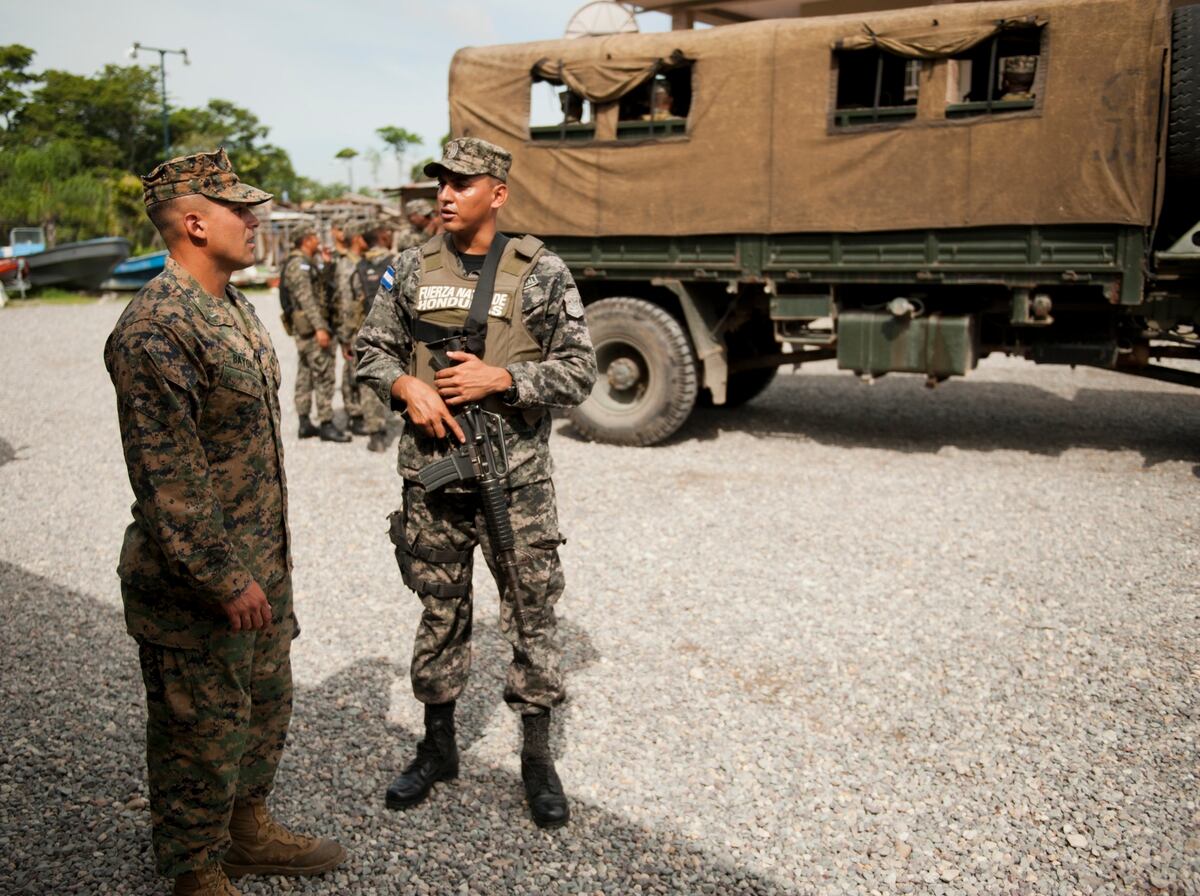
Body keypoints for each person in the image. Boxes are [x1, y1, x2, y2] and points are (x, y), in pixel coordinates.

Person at [103, 149, 346, 896]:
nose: (256, 220)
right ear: (196, 223)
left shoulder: (232, 307)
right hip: (199, 584)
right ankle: (194, 868)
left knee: (263, 708)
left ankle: (246, 831)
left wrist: (262, 571)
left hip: (259, 569)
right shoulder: (156, 329)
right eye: (241, 210)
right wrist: (223, 576)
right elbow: (167, 479)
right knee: (197, 732)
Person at [355, 137, 597, 829]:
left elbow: (579, 370)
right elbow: (371, 348)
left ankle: (537, 758)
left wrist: (506, 379)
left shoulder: (542, 272)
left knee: (530, 610)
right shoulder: (408, 268)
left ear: (498, 193)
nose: (446, 193)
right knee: (439, 607)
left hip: (515, 482)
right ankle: (438, 748)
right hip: (435, 478)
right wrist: (405, 384)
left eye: (463, 182)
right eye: (442, 181)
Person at [282, 229, 351, 442]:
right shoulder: (299, 264)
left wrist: (327, 264)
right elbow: (307, 299)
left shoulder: (306, 261)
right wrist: (321, 327)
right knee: (323, 375)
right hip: (312, 329)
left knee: (305, 372)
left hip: (307, 329)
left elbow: (321, 287)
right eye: (315, 238)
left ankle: (304, 423)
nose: (319, 242)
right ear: (306, 240)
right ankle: (326, 423)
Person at [345, 223, 398, 452]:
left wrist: (347, 337)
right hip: (397, 332)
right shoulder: (400, 262)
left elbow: (349, 306)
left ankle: (375, 433)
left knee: (370, 381)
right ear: (384, 236)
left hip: (367, 332)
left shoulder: (358, 267)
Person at [332, 221, 368, 436]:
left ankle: (362, 410)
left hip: (363, 325)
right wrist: (346, 337)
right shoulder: (347, 264)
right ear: (357, 239)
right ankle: (354, 414)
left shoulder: (361, 261)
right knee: (350, 372)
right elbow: (346, 303)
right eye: (365, 237)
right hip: (352, 328)